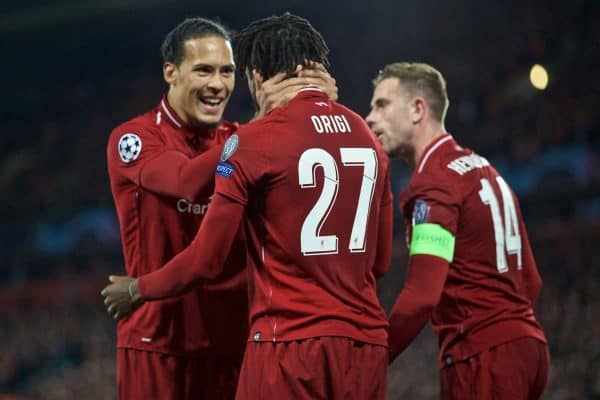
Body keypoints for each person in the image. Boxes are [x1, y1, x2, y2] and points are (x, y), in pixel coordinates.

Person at [102, 13, 393, 400]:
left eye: (227, 72)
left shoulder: (246, 137)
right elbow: (185, 182)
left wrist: (286, 117)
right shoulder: (135, 138)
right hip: (161, 340)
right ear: (170, 72)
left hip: (238, 343)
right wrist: (274, 120)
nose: (218, 85)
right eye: (204, 71)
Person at [365, 62, 550, 399]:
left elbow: (422, 295)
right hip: (528, 347)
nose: (369, 118)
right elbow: (532, 281)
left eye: (382, 105)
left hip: (483, 355)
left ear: (417, 109)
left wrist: (376, 357)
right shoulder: (485, 170)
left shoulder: (434, 184)